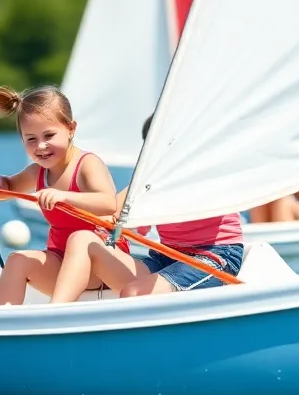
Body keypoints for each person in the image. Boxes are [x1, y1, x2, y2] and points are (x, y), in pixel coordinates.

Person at [0, 85, 124, 306]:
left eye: (49, 135)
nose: (41, 146)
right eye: (31, 139)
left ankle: (54, 316)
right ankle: (2, 328)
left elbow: (108, 203)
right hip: (61, 260)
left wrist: (64, 196)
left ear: (71, 129)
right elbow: (9, 187)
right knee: (16, 261)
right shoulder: (38, 171)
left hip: (100, 265)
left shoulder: (87, 164)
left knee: (80, 243)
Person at [84, 113, 245, 297]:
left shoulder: (203, 172)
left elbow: (179, 202)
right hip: (168, 255)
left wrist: (141, 202)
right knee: (93, 251)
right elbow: (115, 209)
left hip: (215, 255)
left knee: (134, 292)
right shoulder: (153, 181)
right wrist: (106, 222)